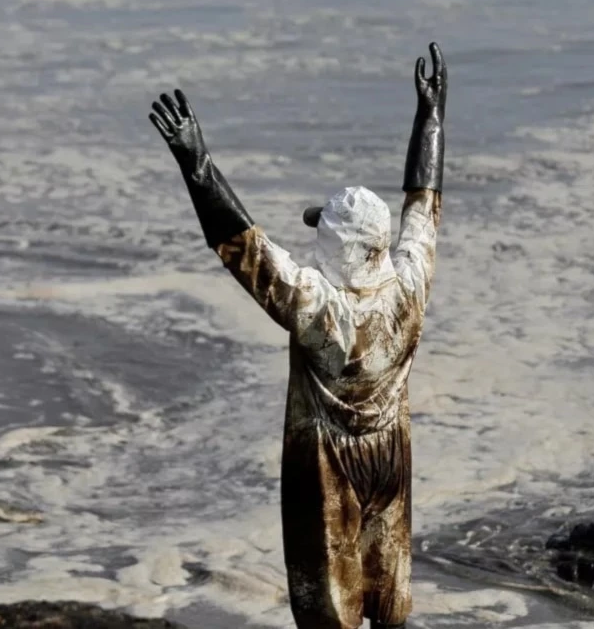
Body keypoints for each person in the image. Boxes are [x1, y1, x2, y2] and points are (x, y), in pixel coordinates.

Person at [147, 43, 447, 629]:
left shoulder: (320, 309)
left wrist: (197, 163)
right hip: (390, 455)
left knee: (327, 608)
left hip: (326, 461)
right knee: (390, 597)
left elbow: (245, 250)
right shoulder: (411, 285)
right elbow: (424, 207)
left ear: (338, 247)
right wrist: (431, 116)